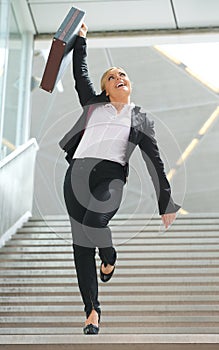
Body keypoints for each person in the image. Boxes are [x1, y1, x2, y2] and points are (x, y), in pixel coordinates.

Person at [59, 23, 180, 335]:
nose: (118, 78)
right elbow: (80, 72)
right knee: (81, 244)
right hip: (77, 175)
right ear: (105, 88)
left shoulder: (139, 118)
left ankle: (110, 256)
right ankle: (92, 311)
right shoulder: (93, 104)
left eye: (122, 74)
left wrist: (165, 201)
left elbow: (154, 161)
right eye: (111, 77)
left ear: (130, 83)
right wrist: (81, 39)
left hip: (110, 178)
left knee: (94, 225)